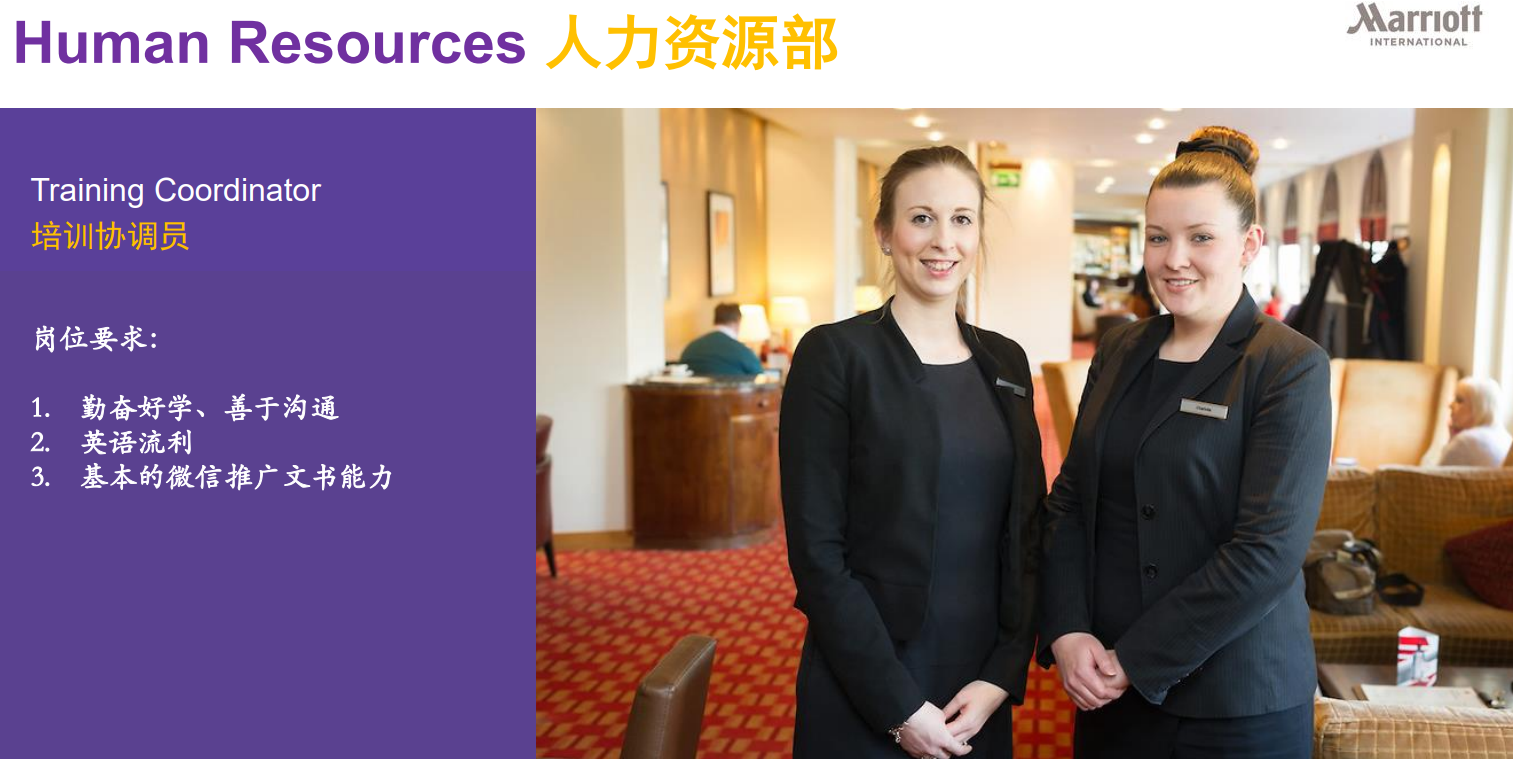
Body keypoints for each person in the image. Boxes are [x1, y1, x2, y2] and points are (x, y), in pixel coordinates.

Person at [1039, 126, 1332, 759]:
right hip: (1106, 686)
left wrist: (1135, 660)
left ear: (1249, 244)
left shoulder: (1288, 364)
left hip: (1236, 701)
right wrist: (1066, 628)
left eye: (1201, 238)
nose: (1174, 259)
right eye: (1158, 237)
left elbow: (1267, 552)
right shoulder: (1120, 348)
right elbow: (1070, 500)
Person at [781, 146, 1045, 759]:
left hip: (976, 686)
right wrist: (896, 706)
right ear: (884, 233)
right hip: (867, 677)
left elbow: (1028, 528)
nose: (943, 240)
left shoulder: (1005, 361)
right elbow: (817, 554)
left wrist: (1003, 673)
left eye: (962, 219)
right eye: (921, 217)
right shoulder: (835, 356)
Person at [1438, 377, 1512, 467]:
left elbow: (1434, 474)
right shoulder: (1506, 439)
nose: (1450, 405)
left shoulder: (1465, 441)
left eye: (1459, 400)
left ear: (1479, 407)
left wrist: (1453, 442)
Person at [678, 303, 764, 376]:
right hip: (732, 391)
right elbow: (760, 378)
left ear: (715, 320)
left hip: (692, 391)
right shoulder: (742, 351)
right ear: (738, 321)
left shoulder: (691, 348)